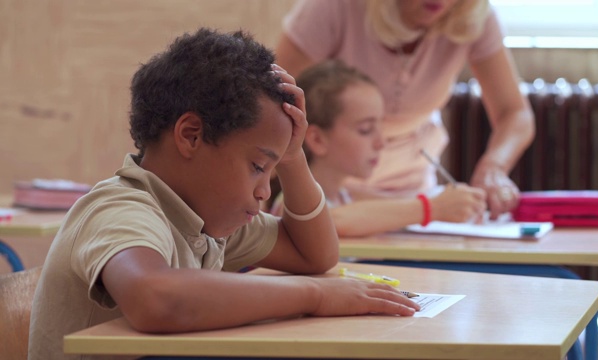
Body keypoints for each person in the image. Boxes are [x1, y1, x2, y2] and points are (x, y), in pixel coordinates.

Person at [28, 28, 420, 360]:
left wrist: (293, 160)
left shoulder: (206, 224)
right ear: (191, 136)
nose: (265, 190)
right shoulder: (120, 207)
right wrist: (316, 295)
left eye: (271, 169)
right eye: (256, 166)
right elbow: (156, 298)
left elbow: (314, 255)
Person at [276, 0, 535, 219]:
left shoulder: (473, 18)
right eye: (366, 129)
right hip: (337, 188)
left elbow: (515, 113)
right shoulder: (332, 8)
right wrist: (427, 209)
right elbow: (276, 104)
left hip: (411, 192)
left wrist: (494, 166)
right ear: (317, 139)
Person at [270, 60, 486, 237]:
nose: (381, 143)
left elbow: (386, 208)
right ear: (317, 140)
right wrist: (433, 208)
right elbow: (333, 221)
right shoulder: (292, 201)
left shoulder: (342, 194)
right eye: (365, 129)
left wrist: (448, 202)